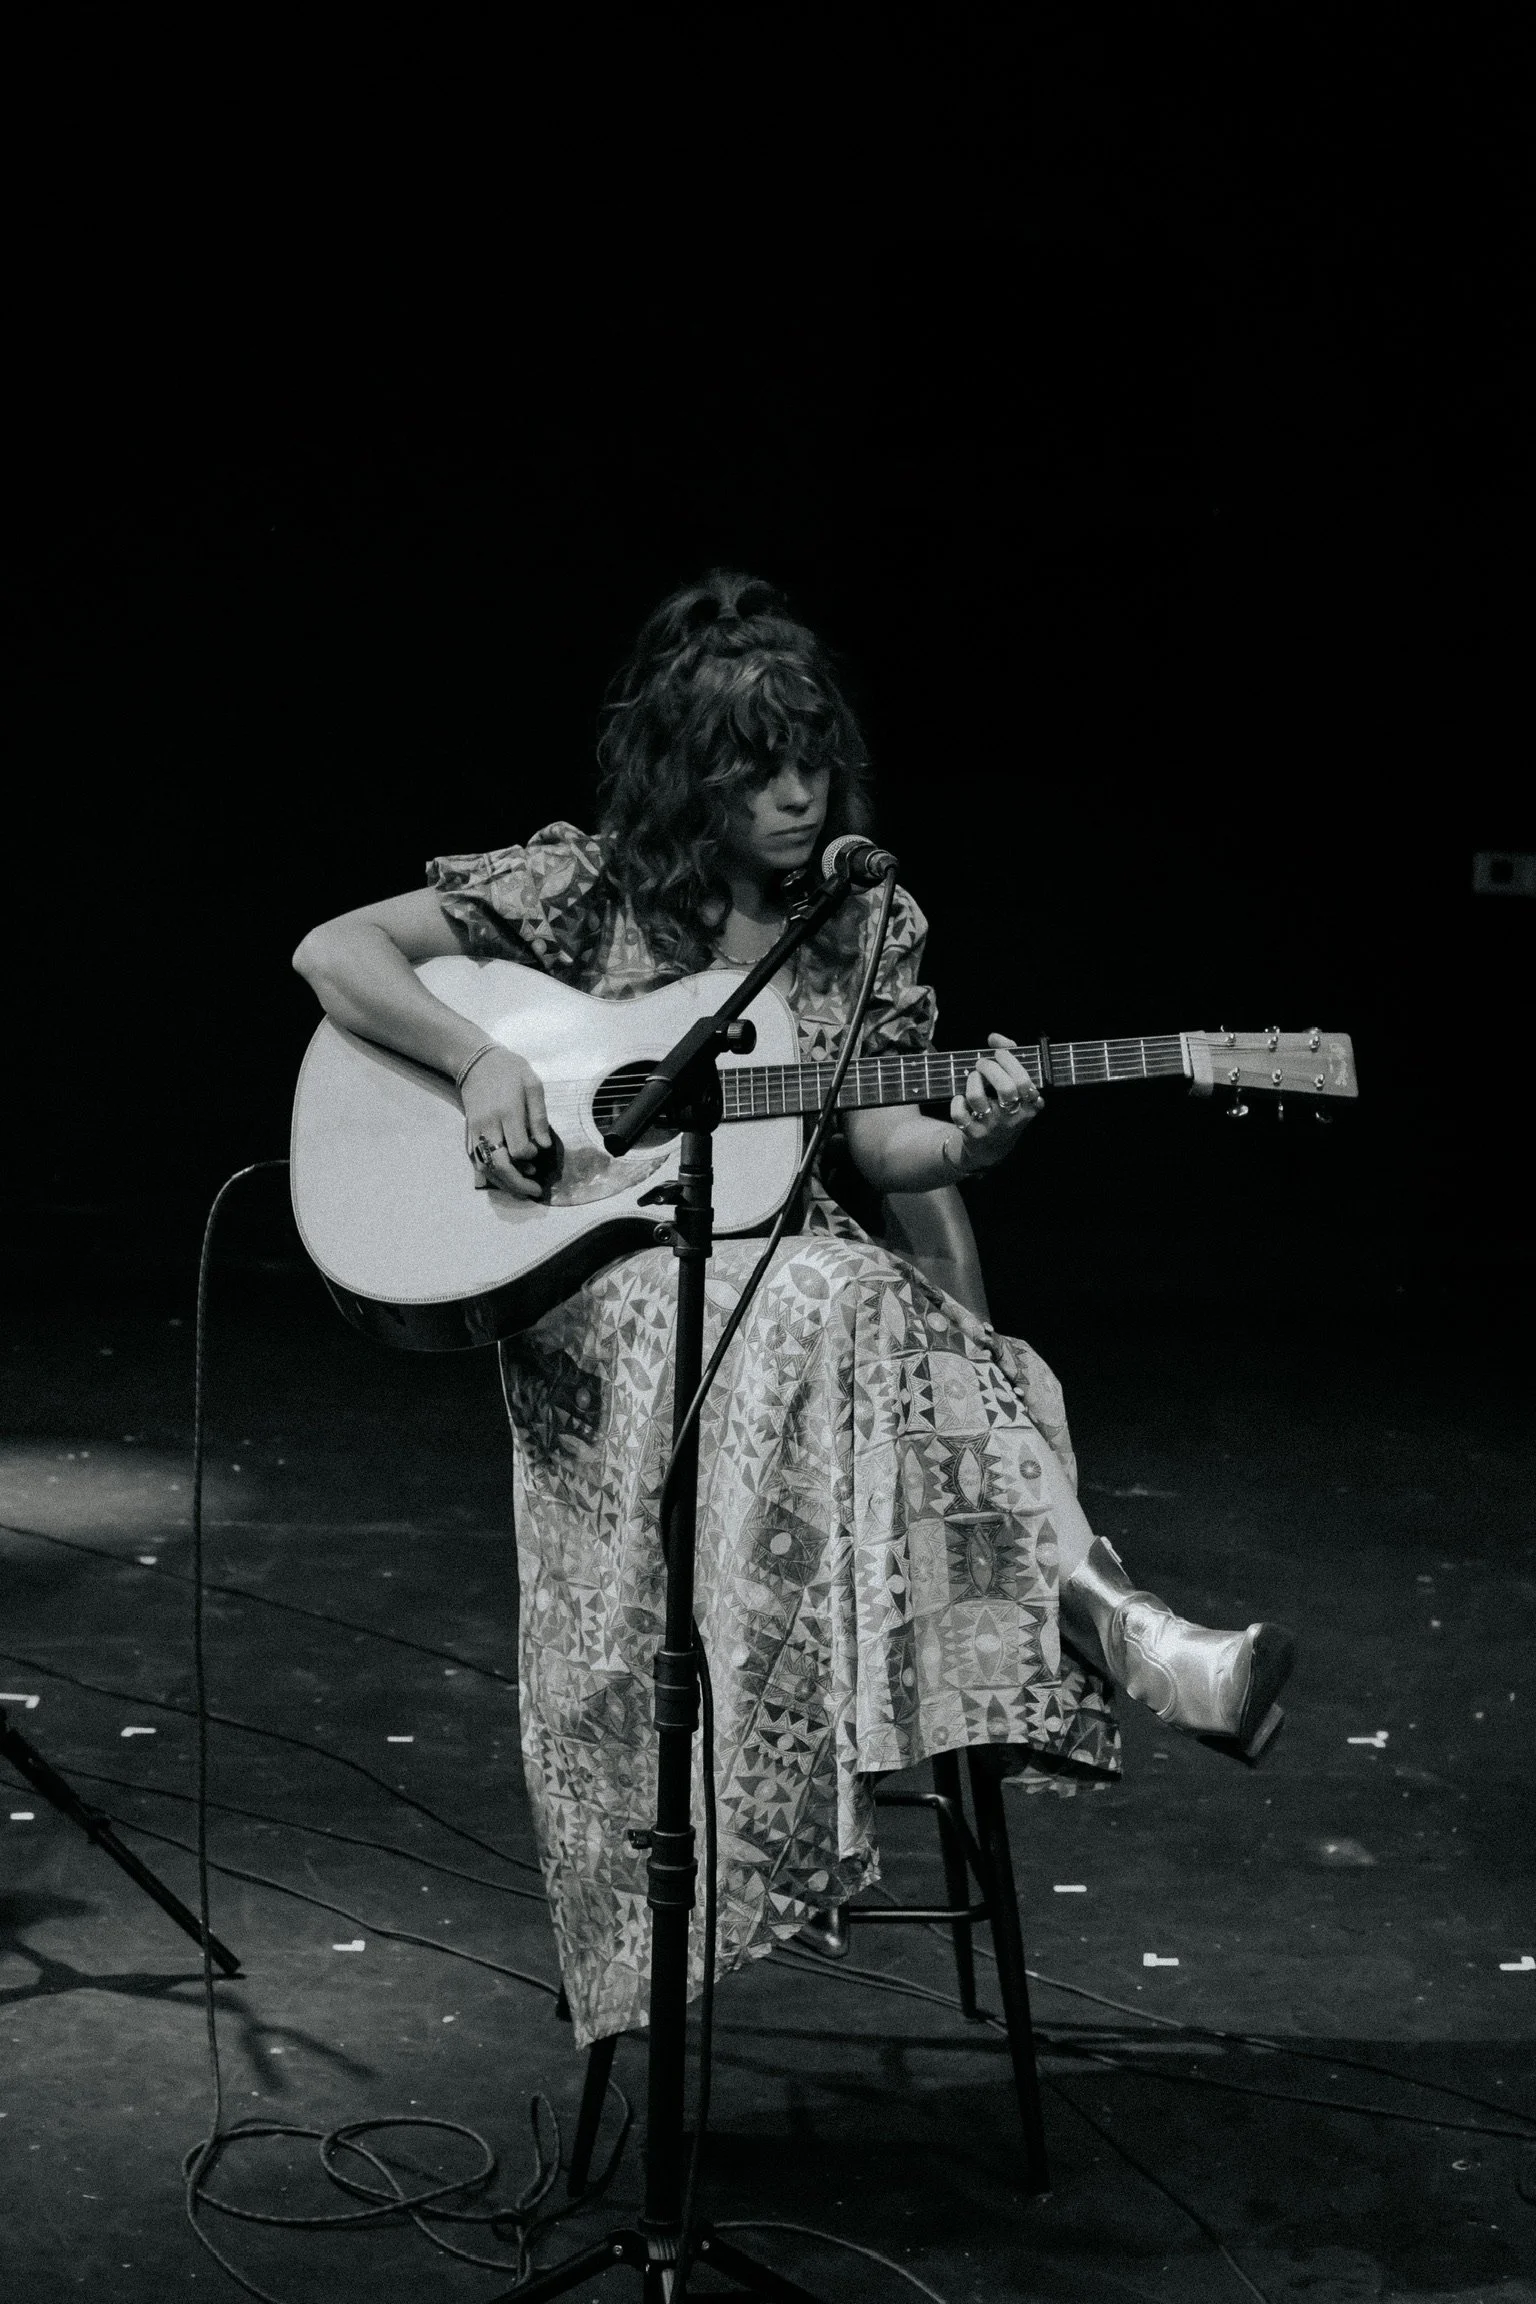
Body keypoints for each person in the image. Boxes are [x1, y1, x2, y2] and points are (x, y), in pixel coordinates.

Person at [292, 570, 1295, 2048]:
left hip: (797, 1289)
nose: (799, 794)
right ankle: (1117, 1621)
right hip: (610, 1296)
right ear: (687, 777)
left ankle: (1134, 1628)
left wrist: (983, 1135)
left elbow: (889, 1146)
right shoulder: (590, 887)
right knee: (850, 1292)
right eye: (758, 767)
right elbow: (334, 952)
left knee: (860, 1296)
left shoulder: (867, 922)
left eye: (814, 760)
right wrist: (478, 1062)